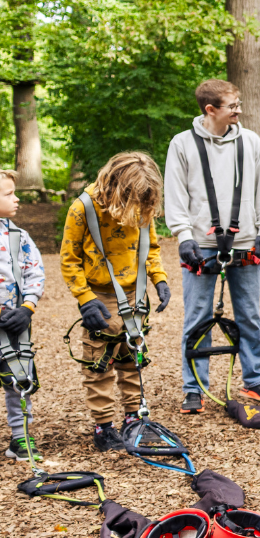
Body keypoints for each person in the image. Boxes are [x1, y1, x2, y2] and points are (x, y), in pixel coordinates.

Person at [165, 79, 260, 414]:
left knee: (249, 314)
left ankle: (254, 379)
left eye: (239, 103)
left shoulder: (251, 142)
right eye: (232, 106)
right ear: (210, 110)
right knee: (197, 317)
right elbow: (176, 195)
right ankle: (194, 387)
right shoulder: (182, 144)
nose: (239, 110)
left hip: (245, 242)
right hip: (200, 244)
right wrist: (184, 237)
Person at [60, 152, 172, 452]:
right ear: (116, 187)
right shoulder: (83, 207)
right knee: (99, 365)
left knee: (132, 359)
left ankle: (133, 418)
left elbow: (151, 246)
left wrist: (158, 279)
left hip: (134, 296)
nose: (138, 206)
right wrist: (85, 300)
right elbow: (69, 259)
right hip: (100, 297)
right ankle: (104, 426)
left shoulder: (141, 204)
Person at [0, 170, 44, 461]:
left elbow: (34, 273)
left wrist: (27, 309)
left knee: (19, 380)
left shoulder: (18, 236)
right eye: (8, 194)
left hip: (12, 325)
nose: (16, 199)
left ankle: (20, 438)